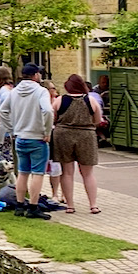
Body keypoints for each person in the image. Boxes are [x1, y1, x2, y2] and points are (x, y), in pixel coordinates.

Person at [0, 63, 54, 218]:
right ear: (35, 75)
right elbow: (48, 111)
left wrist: (12, 129)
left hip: (20, 137)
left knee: (23, 173)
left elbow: (3, 110)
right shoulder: (41, 91)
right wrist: (47, 130)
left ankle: (19, 205)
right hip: (37, 138)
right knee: (37, 173)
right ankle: (33, 206)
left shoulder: (14, 92)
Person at [53, 73, 102, 214]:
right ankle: (93, 205)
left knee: (67, 172)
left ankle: (70, 205)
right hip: (86, 135)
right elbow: (98, 120)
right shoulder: (91, 100)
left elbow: (52, 118)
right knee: (88, 173)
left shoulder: (60, 100)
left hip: (63, 135)